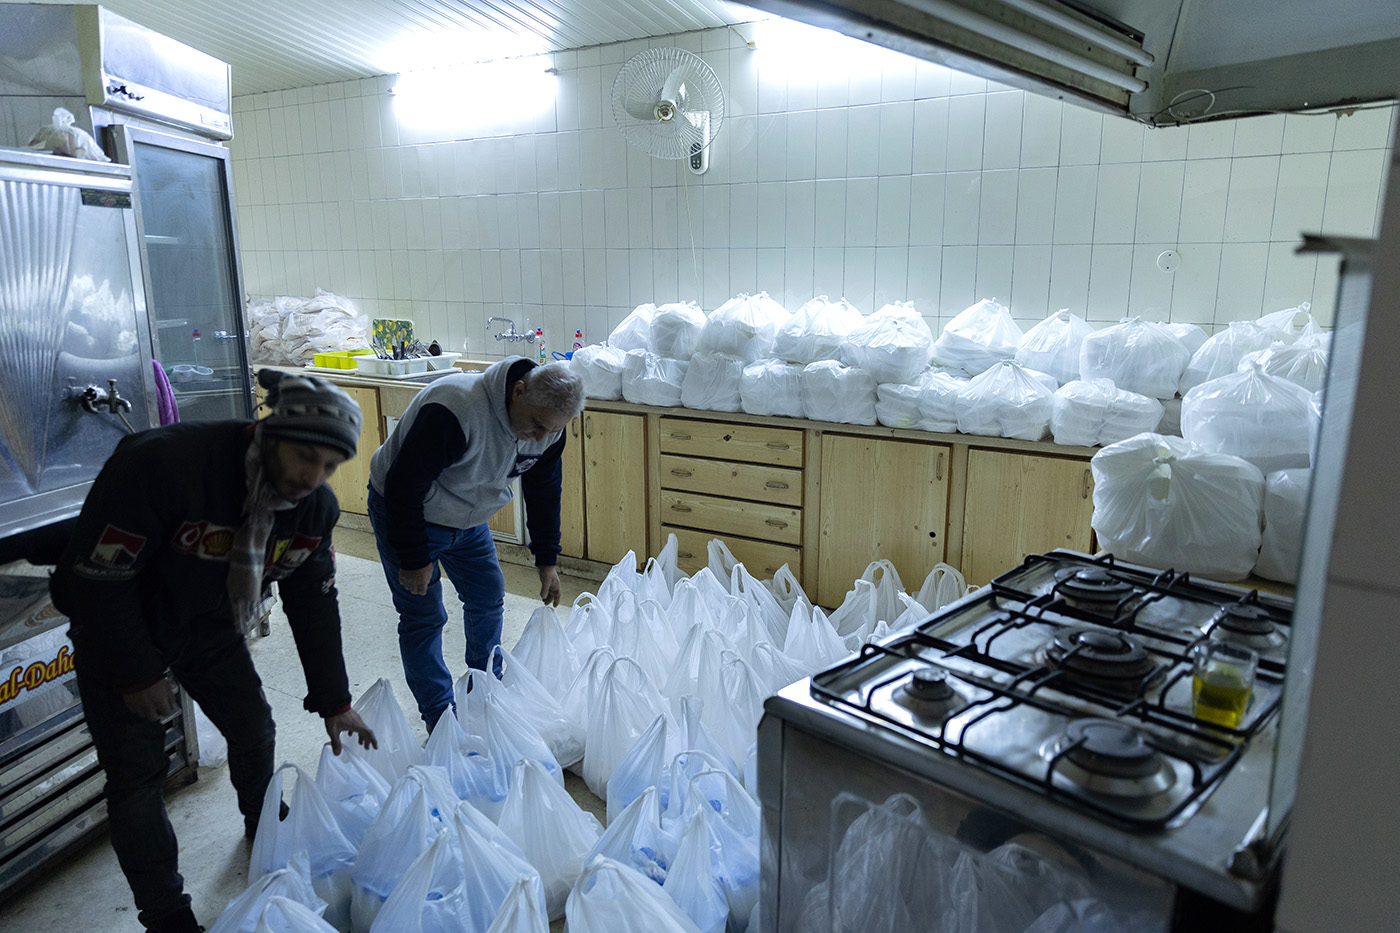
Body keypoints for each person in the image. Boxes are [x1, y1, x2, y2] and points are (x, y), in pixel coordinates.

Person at [49, 371, 379, 933]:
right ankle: (167, 914)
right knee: (138, 775)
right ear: (269, 431)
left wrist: (335, 701)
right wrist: (137, 673)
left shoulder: (312, 509)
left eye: (329, 467)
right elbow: (98, 580)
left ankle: (264, 828)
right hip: (119, 627)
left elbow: (313, 601)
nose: (313, 477)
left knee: (254, 728)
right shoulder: (165, 464)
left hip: (208, 624)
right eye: (305, 457)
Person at [367, 356, 585, 729]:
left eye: (551, 431)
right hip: (409, 513)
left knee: (487, 596)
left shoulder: (548, 428)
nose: (540, 439)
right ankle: (441, 720)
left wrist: (547, 560)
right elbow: (405, 485)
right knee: (423, 616)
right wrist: (414, 558)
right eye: (536, 426)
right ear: (519, 391)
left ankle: (484, 692)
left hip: (469, 519)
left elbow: (544, 490)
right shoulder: (455, 408)